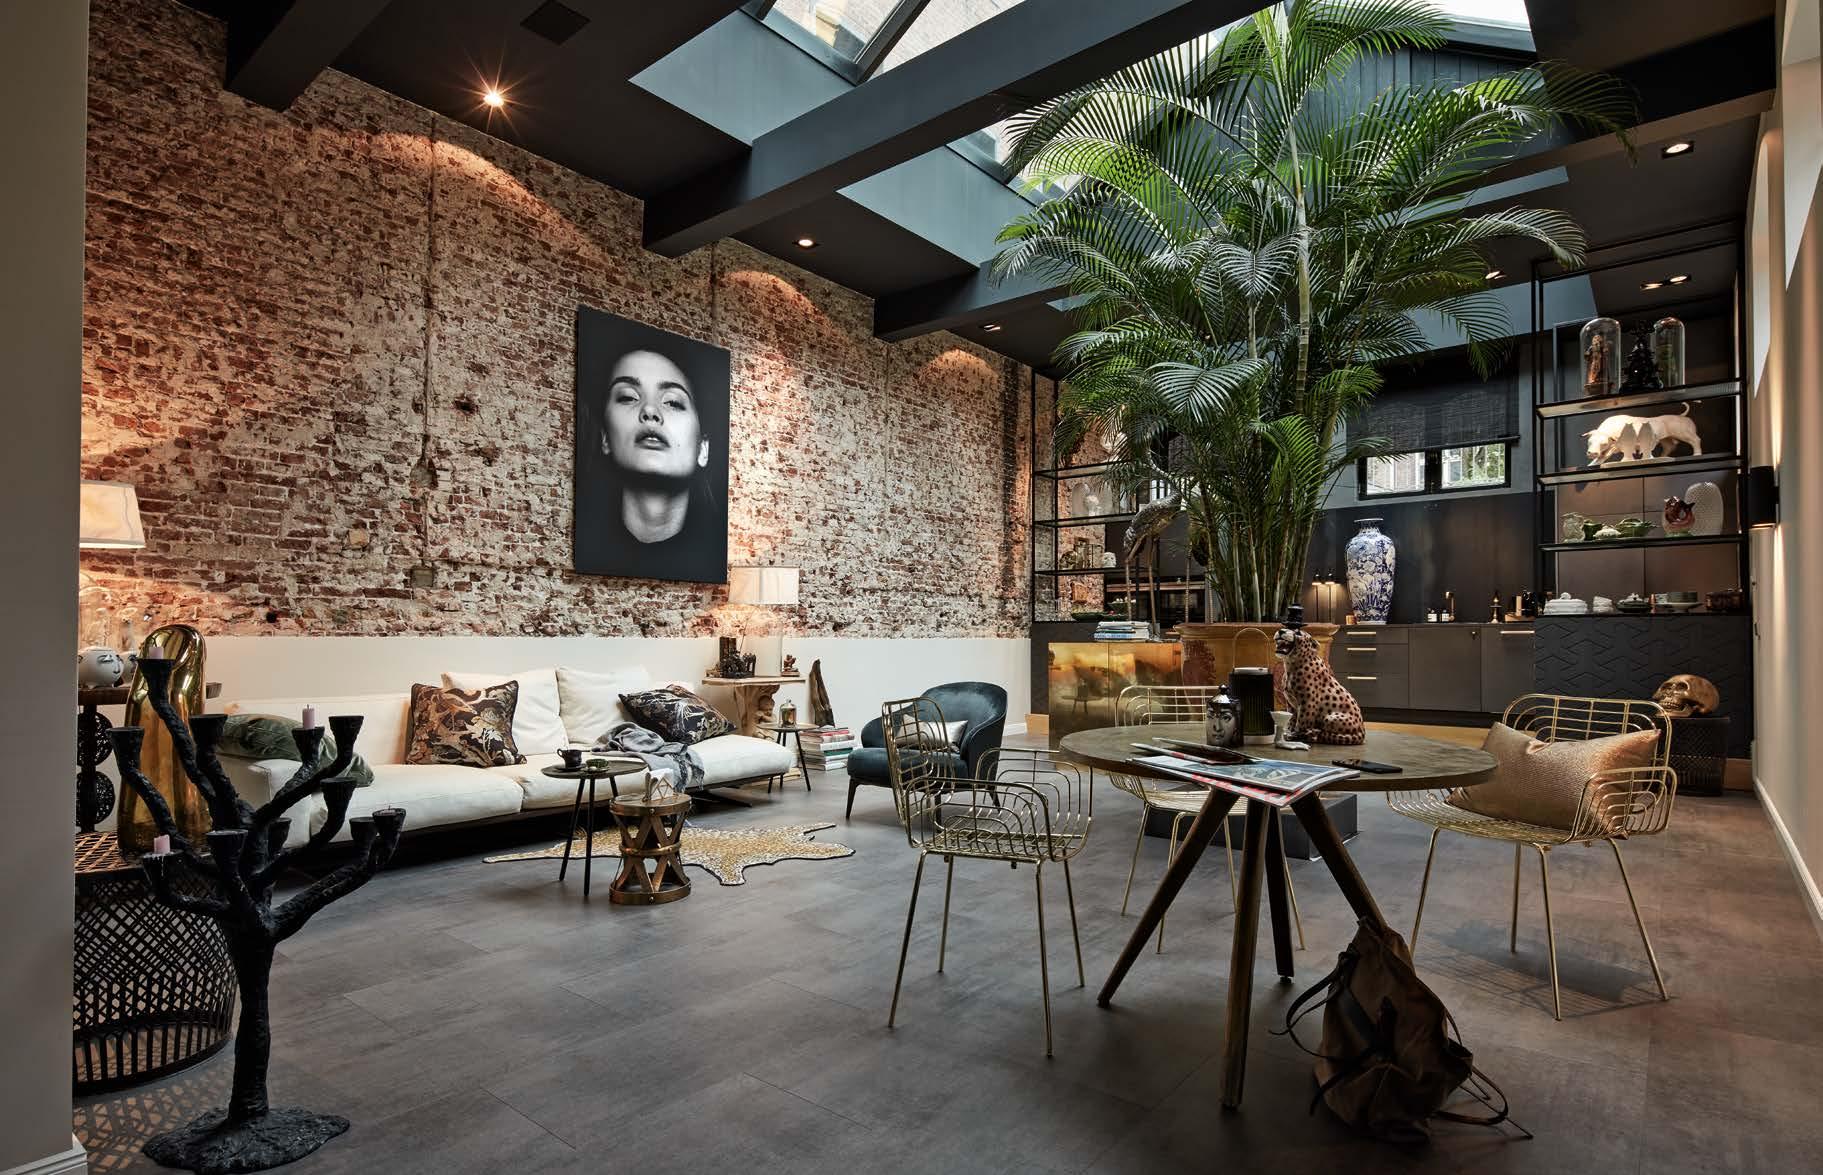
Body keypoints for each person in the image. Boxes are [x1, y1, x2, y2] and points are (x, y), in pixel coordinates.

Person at [573, 317, 728, 583]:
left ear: (703, 448)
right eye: (628, 397)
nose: (649, 410)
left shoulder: (711, 560)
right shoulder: (591, 546)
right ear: (605, 438)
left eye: (673, 402)